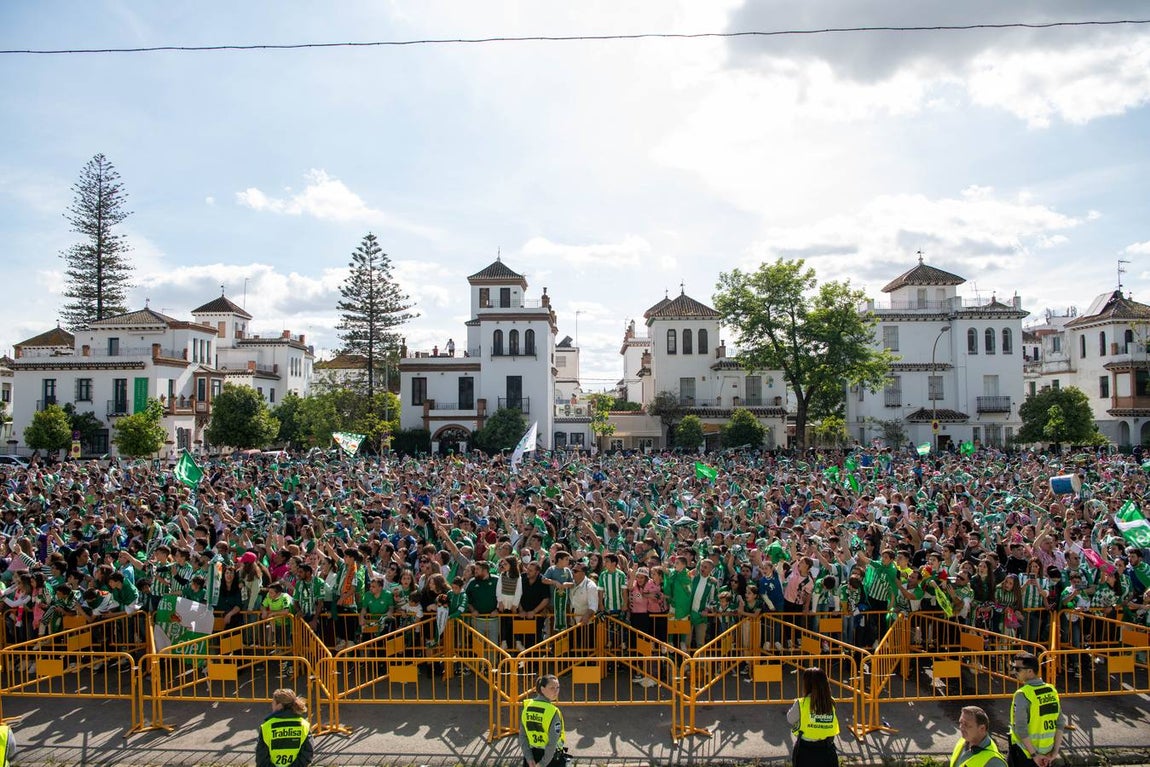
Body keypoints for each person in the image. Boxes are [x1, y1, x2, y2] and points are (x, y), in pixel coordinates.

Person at [1009, 653, 1063, 767]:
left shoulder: (1022, 694)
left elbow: (1021, 728)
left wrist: (1034, 755)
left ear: (1030, 671)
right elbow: (1060, 723)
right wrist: (1054, 752)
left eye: (1018, 668)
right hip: (1047, 754)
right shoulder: (1051, 690)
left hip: (1024, 753)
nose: (1015, 672)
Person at [786, 666, 839, 767]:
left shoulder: (801, 703)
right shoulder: (831, 702)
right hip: (827, 750)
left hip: (806, 751)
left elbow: (790, 719)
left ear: (807, 685)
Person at [255, 688, 313, 767]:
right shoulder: (304, 725)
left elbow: (261, 756)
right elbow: (307, 753)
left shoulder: (267, 726)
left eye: (273, 703)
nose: (272, 705)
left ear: (279, 706)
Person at [519, 673, 567, 767]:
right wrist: (542, 763)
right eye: (552, 688)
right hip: (550, 759)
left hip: (531, 757)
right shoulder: (553, 712)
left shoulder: (527, 707)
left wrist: (529, 758)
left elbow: (522, 737)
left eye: (558, 687)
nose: (556, 691)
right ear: (542, 689)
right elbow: (552, 743)